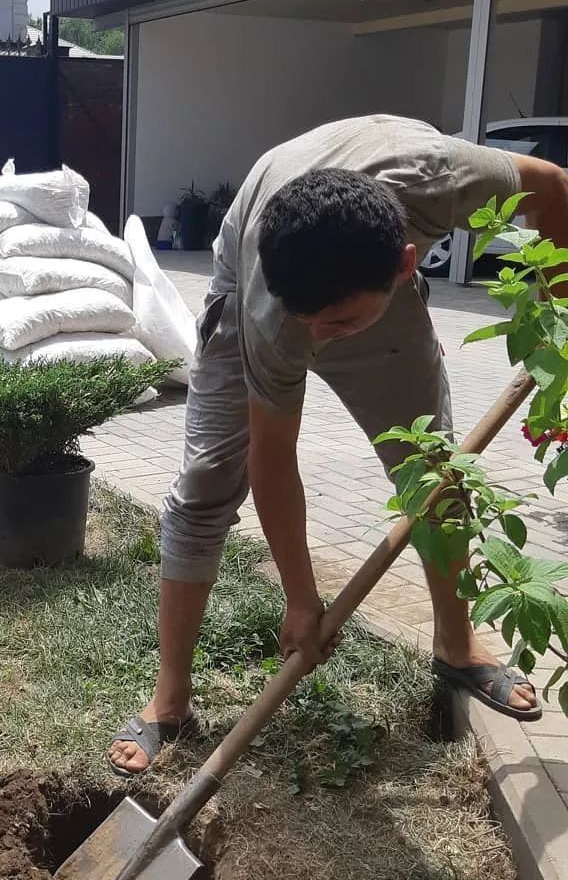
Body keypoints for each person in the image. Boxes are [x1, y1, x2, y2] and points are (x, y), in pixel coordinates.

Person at [109, 114, 568, 778]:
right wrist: (302, 599)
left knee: (435, 473)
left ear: (408, 264)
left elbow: (552, 187)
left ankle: (457, 644)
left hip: (374, 255)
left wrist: (554, 313)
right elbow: (272, 458)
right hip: (261, 268)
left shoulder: (443, 181)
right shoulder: (277, 309)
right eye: (312, 325)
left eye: (338, 323)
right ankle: (170, 702)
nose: (320, 339)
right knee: (209, 482)